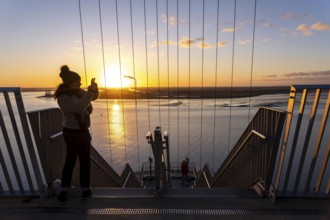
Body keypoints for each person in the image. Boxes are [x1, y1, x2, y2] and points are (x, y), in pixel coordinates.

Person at [54, 65, 99, 202]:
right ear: (69, 82)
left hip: (80, 131)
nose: (80, 84)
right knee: (71, 161)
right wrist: (90, 92)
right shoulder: (64, 97)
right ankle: (65, 189)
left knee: (83, 161)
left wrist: (93, 89)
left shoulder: (76, 91)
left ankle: (83, 190)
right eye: (77, 81)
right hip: (73, 132)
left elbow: (91, 98)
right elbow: (80, 107)